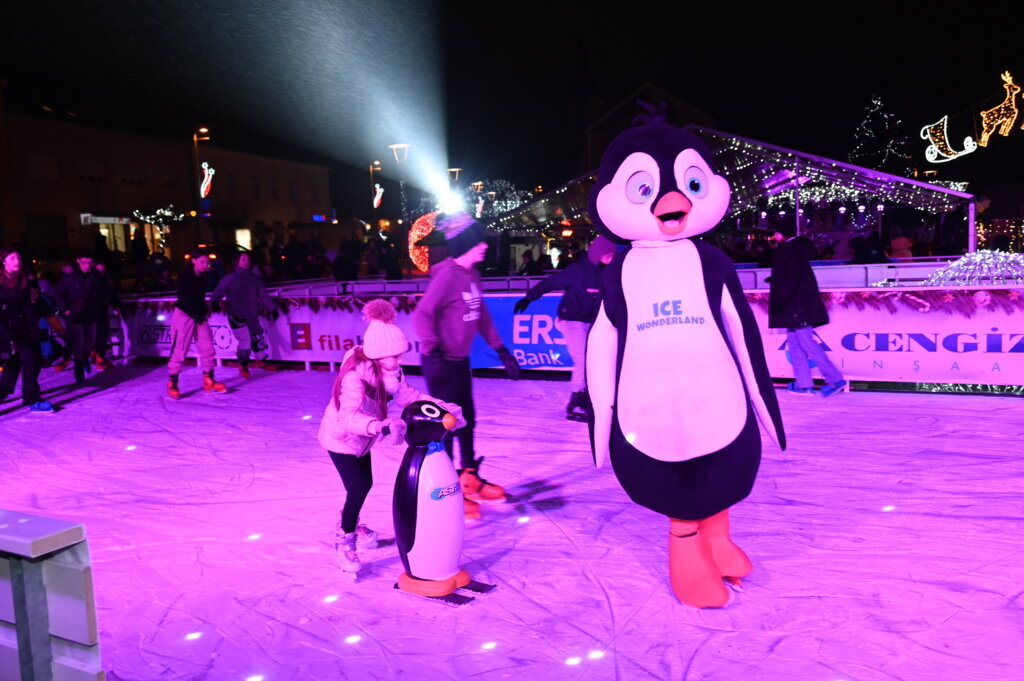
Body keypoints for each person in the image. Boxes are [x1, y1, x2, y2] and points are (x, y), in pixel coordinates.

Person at [318, 299, 464, 577]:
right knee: (358, 487)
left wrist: (443, 408)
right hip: (341, 438)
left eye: (401, 355)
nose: (401, 361)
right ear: (376, 355)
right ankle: (344, 540)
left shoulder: (391, 372)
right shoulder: (354, 378)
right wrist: (382, 427)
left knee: (364, 484)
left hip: (363, 439)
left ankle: (351, 521)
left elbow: (410, 397)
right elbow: (347, 417)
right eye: (395, 356)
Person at [412, 212, 522, 519]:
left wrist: (501, 349)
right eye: (479, 241)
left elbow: (481, 313)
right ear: (465, 245)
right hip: (440, 362)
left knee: (467, 419)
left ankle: (468, 476)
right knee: (446, 426)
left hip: (459, 361)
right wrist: (434, 350)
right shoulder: (447, 276)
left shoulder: (472, 273)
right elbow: (422, 315)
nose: (485, 246)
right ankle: (447, 492)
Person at [514, 236, 617, 420]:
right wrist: (528, 297)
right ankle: (576, 400)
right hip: (571, 319)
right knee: (583, 359)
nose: (612, 259)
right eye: (608, 255)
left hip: (591, 321)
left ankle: (591, 397)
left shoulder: (609, 272)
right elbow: (550, 282)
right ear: (598, 254)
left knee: (597, 359)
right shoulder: (578, 271)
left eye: (613, 255)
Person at [768, 225, 846, 397]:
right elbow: (793, 275)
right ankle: (803, 383)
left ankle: (834, 378)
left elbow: (791, 278)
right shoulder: (793, 249)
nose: (774, 235)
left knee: (805, 342)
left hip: (797, 304)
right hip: (797, 303)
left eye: (776, 231)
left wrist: (780, 297)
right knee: (795, 343)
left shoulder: (791, 250)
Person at [166, 249, 226, 399]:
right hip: (184, 315)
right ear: (193, 261)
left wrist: (207, 308)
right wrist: (198, 314)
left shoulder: (203, 277)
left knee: (207, 347)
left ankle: (209, 378)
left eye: (207, 262)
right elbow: (186, 299)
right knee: (180, 349)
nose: (205, 265)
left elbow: (199, 298)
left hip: (198, 314)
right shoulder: (185, 277)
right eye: (202, 262)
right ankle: (173, 382)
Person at [0, 247, 54, 412]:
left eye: (18, 258)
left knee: (15, 364)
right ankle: (32, 398)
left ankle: (8, 394)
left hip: (22, 328)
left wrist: (34, 329)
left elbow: (27, 307)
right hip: (4, 329)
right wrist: (6, 334)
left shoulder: (23, 280)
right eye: (12, 258)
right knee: (29, 360)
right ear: (4, 261)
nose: (17, 261)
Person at [210, 252, 277, 378]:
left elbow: (263, 295)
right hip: (236, 315)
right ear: (237, 262)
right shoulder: (230, 278)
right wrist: (214, 301)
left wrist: (272, 308)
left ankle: (261, 360)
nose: (247, 261)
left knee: (258, 337)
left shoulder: (255, 279)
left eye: (248, 259)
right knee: (245, 340)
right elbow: (218, 291)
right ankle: (243, 364)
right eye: (243, 259)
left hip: (252, 314)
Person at [54, 250, 110, 383]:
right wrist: (65, 309)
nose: (87, 265)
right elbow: (57, 292)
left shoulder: (94, 275)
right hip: (76, 314)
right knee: (79, 342)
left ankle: (84, 359)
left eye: (90, 263)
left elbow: (102, 289)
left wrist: (105, 300)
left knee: (90, 341)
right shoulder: (70, 276)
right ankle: (78, 370)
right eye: (85, 262)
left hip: (92, 312)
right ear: (78, 261)